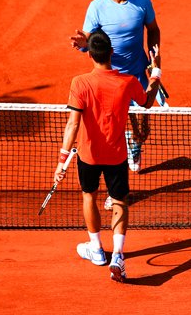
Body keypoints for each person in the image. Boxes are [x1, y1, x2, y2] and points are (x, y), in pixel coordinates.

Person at [54, 30, 161, 283]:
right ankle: (118, 256)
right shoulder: (127, 82)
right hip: (116, 156)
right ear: (111, 52)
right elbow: (147, 102)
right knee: (120, 201)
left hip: (88, 156)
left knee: (89, 196)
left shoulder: (79, 83)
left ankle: (97, 250)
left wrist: (61, 160)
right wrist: (156, 73)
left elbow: (72, 124)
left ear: (90, 54)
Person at [69, 0, 161, 175]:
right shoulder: (97, 7)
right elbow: (92, 41)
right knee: (113, 127)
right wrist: (84, 45)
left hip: (138, 73)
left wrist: (155, 57)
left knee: (143, 128)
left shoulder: (142, 2)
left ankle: (135, 142)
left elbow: (153, 29)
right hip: (112, 79)